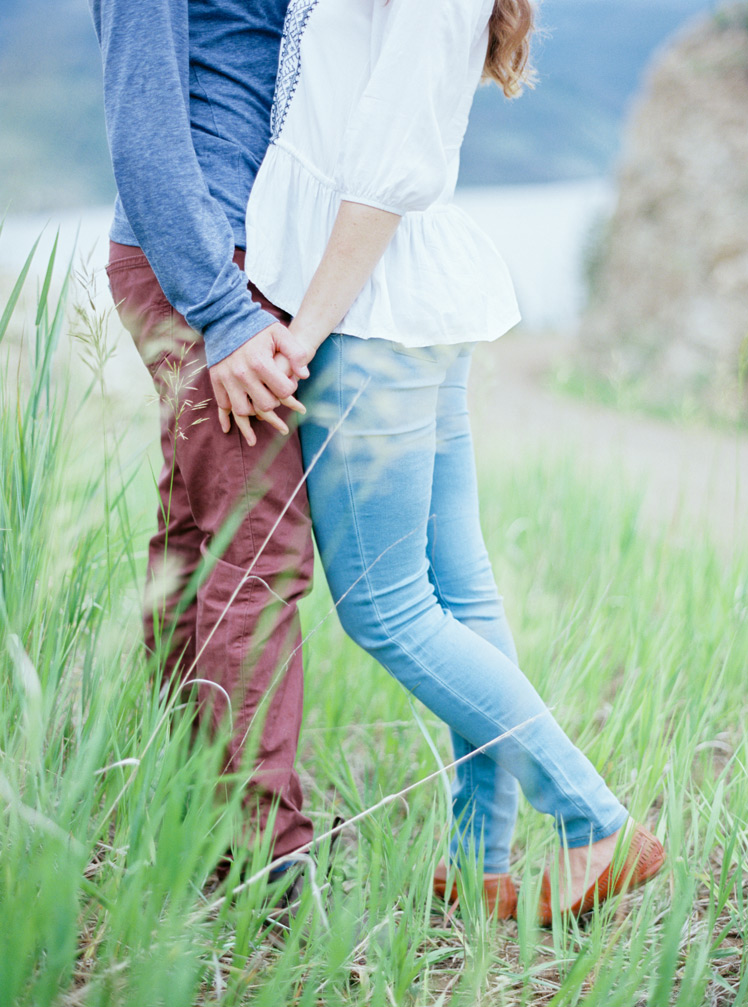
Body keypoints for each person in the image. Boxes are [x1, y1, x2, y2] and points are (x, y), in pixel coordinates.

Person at [235, 0, 666, 923]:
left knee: (385, 608)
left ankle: (595, 819)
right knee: (457, 597)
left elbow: (390, 166)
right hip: (401, 301)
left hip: (367, 311)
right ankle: (481, 858)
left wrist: (303, 331)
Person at [89, 0, 317, 879]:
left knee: (199, 536)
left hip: (230, 256)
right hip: (204, 264)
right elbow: (140, 124)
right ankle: (269, 857)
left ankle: (185, 802)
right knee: (260, 549)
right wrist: (220, 311)